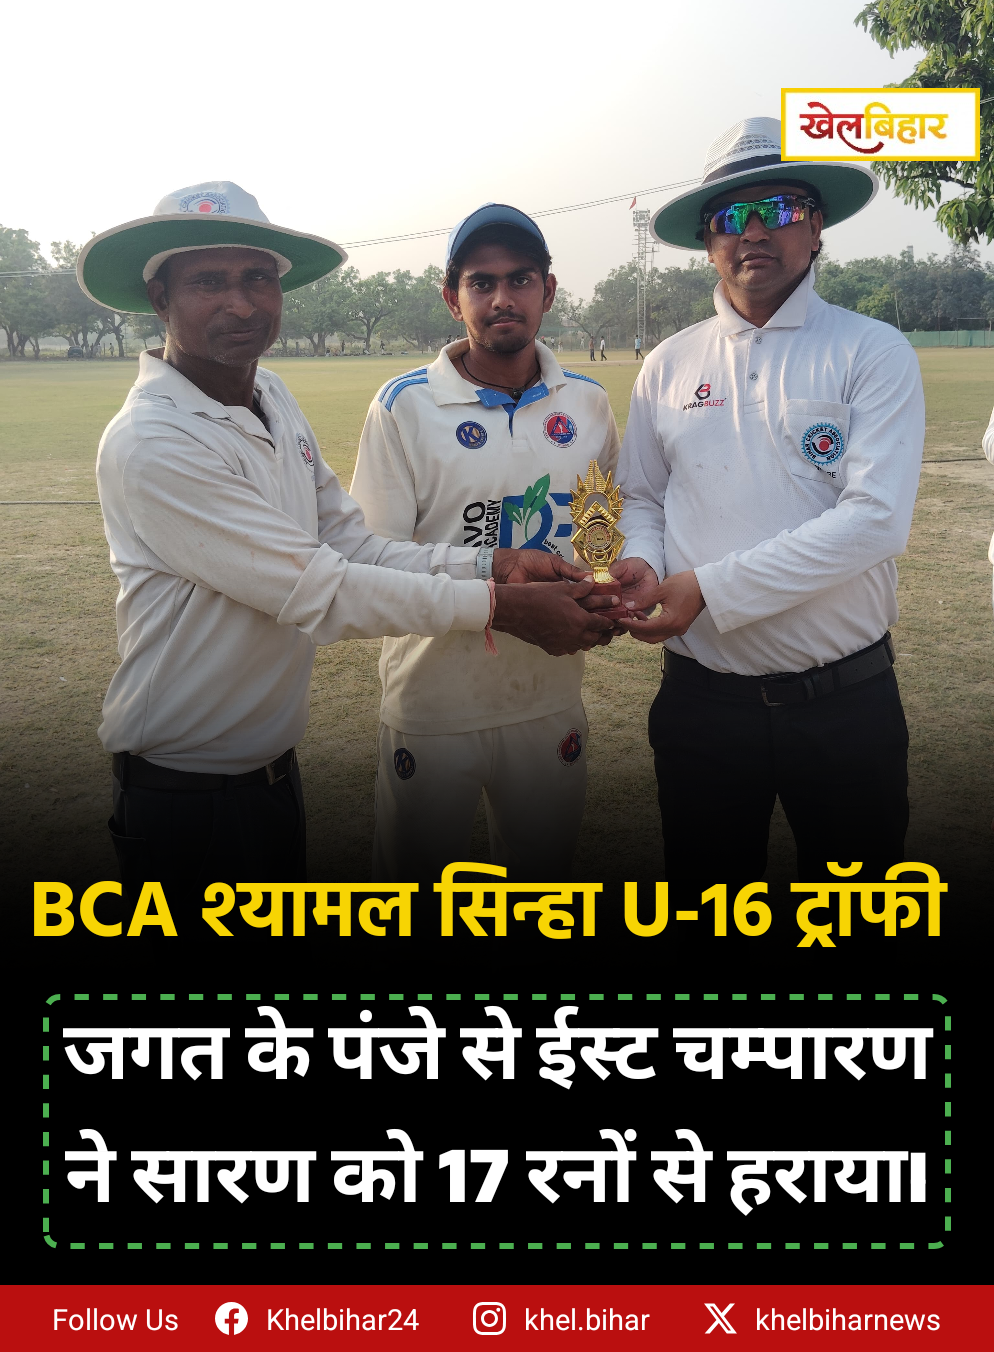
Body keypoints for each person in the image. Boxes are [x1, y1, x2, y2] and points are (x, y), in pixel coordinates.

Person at [77, 182, 614, 903]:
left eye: (257, 278)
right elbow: (321, 591)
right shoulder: (153, 440)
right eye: (208, 282)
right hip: (185, 783)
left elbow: (349, 542)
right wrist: (500, 604)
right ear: (159, 297)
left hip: (270, 766)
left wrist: (497, 561)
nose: (241, 304)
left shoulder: (269, 396)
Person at [611, 117, 925, 890]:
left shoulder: (871, 349)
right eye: (731, 216)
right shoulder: (668, 363)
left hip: (844, 704)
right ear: (707, 241)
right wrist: (644, 561)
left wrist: (708, 589)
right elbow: (643, 495)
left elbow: (875, 522)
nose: (754, 231)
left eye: (779, 209)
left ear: (816, 227)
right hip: (702, 705)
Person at [349, 203, 622, 879]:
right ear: (452, 298)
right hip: (432, 698)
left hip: (549, 694)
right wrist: (497, 586)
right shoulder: (404, 405)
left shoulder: (587, 403)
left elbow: (600, 540)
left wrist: (603, 598)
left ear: (548, 291)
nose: (503, 298)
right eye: (481, 282)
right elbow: (368, 562)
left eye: (521, 278)